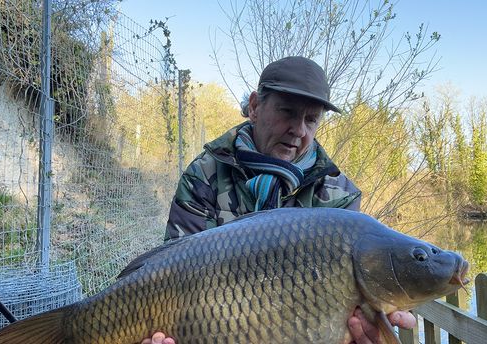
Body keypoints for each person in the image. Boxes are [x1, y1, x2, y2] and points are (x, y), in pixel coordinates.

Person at [141, 56, 416, 344]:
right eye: (288, 112)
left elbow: (345, 318)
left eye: (311, 119)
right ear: (255, 107)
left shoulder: (339, 197)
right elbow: (171, 274)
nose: (299, 130)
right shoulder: (206, 173)